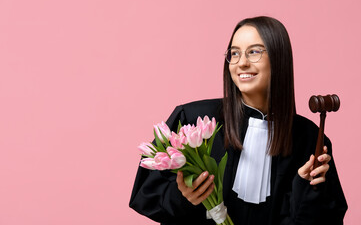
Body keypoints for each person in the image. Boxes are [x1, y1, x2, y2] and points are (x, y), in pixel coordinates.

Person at [129, 16, 347, 225]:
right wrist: (182, 195)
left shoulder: (309, 139)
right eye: (234, 53)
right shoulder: (193, 120)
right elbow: (146, 194)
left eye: (254, 52)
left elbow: (327, 219)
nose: (241, 63)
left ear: (279, 58)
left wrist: (304, 187)